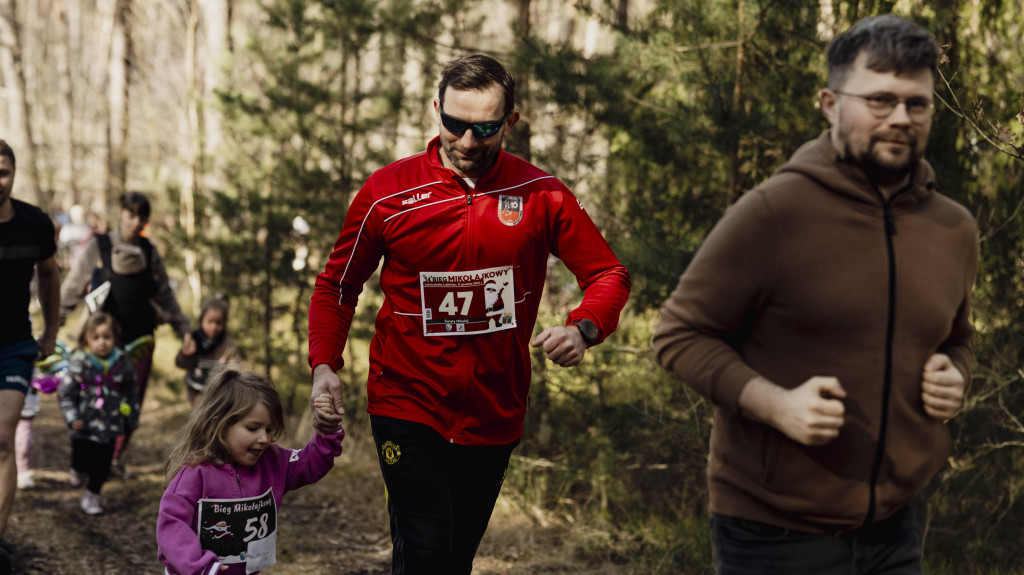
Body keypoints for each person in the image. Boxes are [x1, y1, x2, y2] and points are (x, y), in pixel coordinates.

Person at [652, 14, 978, 575]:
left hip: (896, 529)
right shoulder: (775, 212)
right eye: (879, 100)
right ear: (830, 103)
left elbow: (958, 339)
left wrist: (957, 372)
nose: (900, 117)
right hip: (772, 531)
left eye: (916, 103)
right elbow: (679, 336)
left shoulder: (953, 228)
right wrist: (774, 404)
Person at [308, 54, 631, 574]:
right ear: (436, 110)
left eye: (484, 128)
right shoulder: (388, 193)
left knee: (451, 558)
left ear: (510, 122)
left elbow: (609, 275)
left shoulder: (540, 194)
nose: (466, 141)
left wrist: (584, 328)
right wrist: (325, 364)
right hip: (406, 402)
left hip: (493, 410)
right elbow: (337, 287)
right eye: (454, 124)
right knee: (430, 554)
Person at [156, 367, 344, 575]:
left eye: (269, 429)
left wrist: (327, 432)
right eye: (253, 428)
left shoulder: (272, 461)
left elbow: (309, 464)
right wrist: (199, 565)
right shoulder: (195, 473)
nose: (264, 438)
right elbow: (172, 526)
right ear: (221, 425)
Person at [59, 191, 193, 471]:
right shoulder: (100, 245)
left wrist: (184, 330)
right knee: (93, 402)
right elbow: (73, 286)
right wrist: (55, 321)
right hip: (102, 341)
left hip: (141, 340)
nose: (135, 221)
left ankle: (112, 458)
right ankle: (88, 459)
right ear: (121, 213)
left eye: (141, 216)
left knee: (130, 404)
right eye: (131, 215)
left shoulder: (148, 250)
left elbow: (165, 295)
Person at [0, 139, 60, 574]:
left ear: (14, 174)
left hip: (14, 348)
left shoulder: (34, 223)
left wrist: (52, 329)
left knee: (3, 441)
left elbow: (50, 274)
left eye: (2, 170)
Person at [56, 312, 139, 515]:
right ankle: (77, 469)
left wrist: (131, 417)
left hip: (109, 427)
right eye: (96, 337)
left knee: (103, 464)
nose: (102, 342)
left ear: (115, 338)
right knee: (82, 460)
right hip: (83, 426)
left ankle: (92, 496)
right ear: (87, 339)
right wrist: (72, 416)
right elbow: (65, 393)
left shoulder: (122, 363)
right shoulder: (80, 363)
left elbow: (132, 392)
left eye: (107, 337)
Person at [176, 294, 241, 407]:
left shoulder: (227, 344)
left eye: (218, 323)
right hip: (195, 391)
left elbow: (235, 365)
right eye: (210, 322)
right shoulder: (194, 340)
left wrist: (229, 372)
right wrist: (185, 354)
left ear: (224, 323)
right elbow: (180, 363)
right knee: (201, 418)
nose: (214, 327)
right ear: (201, 320)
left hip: (218, 393)